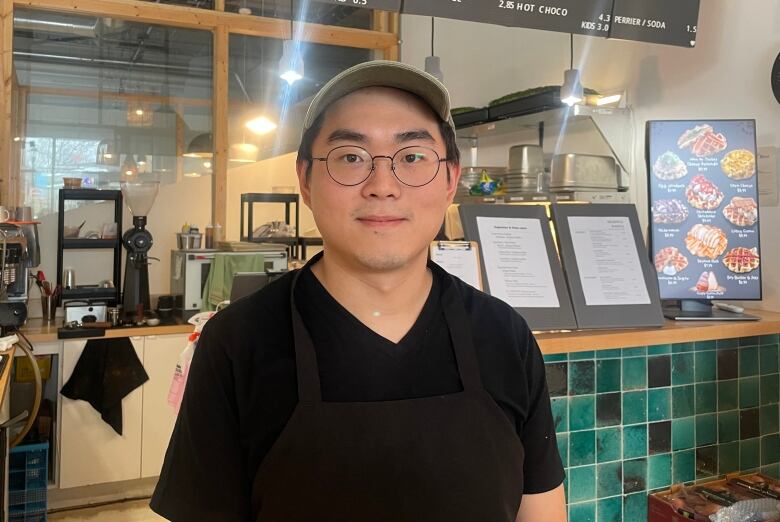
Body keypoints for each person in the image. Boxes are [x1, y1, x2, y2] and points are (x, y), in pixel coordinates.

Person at [151, 60, 566, 521]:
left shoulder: (504, 334)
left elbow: (542, 511)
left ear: (450, 180)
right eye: (351, 157)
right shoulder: (237, 341)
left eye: (412, 157)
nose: (382, 186)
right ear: (305, 179)